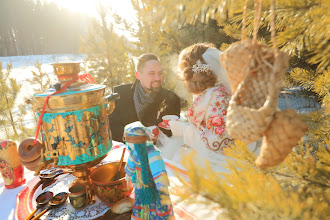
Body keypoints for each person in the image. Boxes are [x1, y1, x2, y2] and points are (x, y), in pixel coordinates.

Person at [159, 43, 236, 171]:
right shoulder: (209, 92)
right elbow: (205, 128)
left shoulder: (219, 97)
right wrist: (180, 125)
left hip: (220, 166)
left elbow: (216, 144)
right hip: (206, 158)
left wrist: (184, 130)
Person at [109, 53, 181, 142]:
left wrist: (159, 136)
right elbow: (112, 127)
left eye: (160, 73)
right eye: (151, 73)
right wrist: (127, 136)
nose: (157, 78)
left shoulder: (172, 99)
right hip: (127, 151)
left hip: (159, 153)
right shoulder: (120, 93)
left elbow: (172, 134)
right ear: (138, 75)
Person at [123, 121, 173, 220]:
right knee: (142, 205)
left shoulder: (152, 153)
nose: (128, 144)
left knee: (157, 205)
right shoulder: (134, 153)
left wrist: (162, 186)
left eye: (130, 141)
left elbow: (159, 172)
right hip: (141, 187)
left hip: (154, 187)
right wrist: (127, 176)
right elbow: (130, 167)